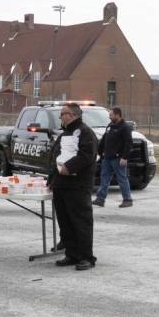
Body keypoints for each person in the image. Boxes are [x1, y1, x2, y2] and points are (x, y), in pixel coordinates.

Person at [48, 103, 98, 270]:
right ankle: (72, 254)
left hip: (78, 185)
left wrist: (69, 167)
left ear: (72, 115)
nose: (61, 117)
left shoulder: (85, 132)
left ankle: (86, 257)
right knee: (65, 221)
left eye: (63, 114)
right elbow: (55, 156)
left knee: (81, 222)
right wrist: (51, 178)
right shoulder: (65, 133)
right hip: (61, 185)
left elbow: (87, 156)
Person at [93, 107, 133, 208]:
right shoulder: (110, 126)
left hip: (118, 158)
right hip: (107, 158)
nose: (109, 117)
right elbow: (104, 139)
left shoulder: (124, 127)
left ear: (118, 115)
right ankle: (100, 199)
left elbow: (128, 143)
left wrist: (124, 157)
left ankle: (127, 199)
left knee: (122, 179)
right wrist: (100, 151)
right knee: (104, 178)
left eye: (111, 115)